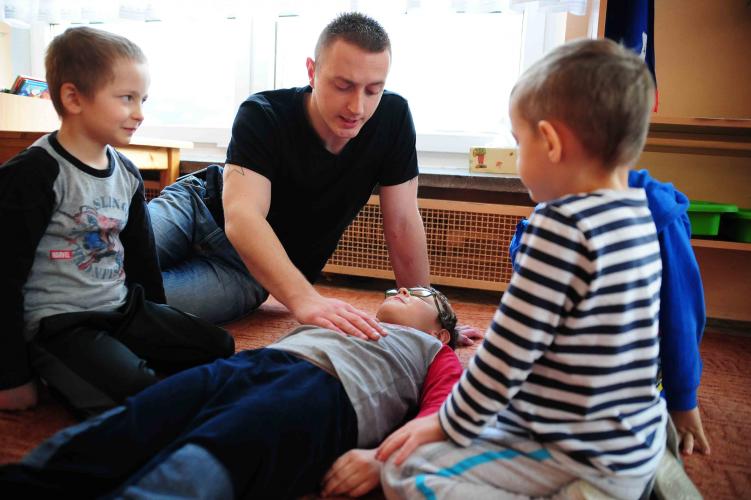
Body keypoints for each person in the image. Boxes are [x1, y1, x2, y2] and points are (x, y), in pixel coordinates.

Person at [376, 38, 668, 499]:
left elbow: (506, 355)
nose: (517, 157)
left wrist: (446, 423)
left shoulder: (560, 226)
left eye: (518, 141)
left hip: (577, 452)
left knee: (405, 471)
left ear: (550, 141)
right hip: (635, 437)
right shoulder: (638, 215)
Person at [0, 287, 463, 499]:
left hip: (325, 393)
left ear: (440, 333)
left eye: (421, 294)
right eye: (401, 287)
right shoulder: (341, 314)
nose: (402, 288)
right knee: (142, 415)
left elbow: (444, 414)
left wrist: (382, 458)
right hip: (250, 365)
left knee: (217, 449)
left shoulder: (432, 352)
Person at [147, 12, 430, 341]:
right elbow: (243, 216)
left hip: (246, 272)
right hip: (194, 208)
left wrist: (429, 311)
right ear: (312, 71)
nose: (357, 107)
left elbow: (403, 222)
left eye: (373, 90)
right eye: (343, 86)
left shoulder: (393, 118)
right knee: (102, 263)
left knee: (132, 303)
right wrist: (304, 298)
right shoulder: (263, 113)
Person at [0, 27, 234, 417]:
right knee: (138, 394)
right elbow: (4, 275)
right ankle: (58, 369)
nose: (139, 113)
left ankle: (111, 362)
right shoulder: (34, 174)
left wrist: (157, 324)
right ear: (73, 97)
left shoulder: (125, 172)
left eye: (143, 100)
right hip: (60, 324)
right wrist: (10, 376)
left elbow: (142, 259)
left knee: (217, 347)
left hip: (121, 309)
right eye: (127, 98)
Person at [508, 174, 710, 457]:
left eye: (520, 150)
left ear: (555, 150)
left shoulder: (654, 210)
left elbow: (681, 315)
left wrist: (683, 400)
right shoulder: (549, 211)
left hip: (628, 376)